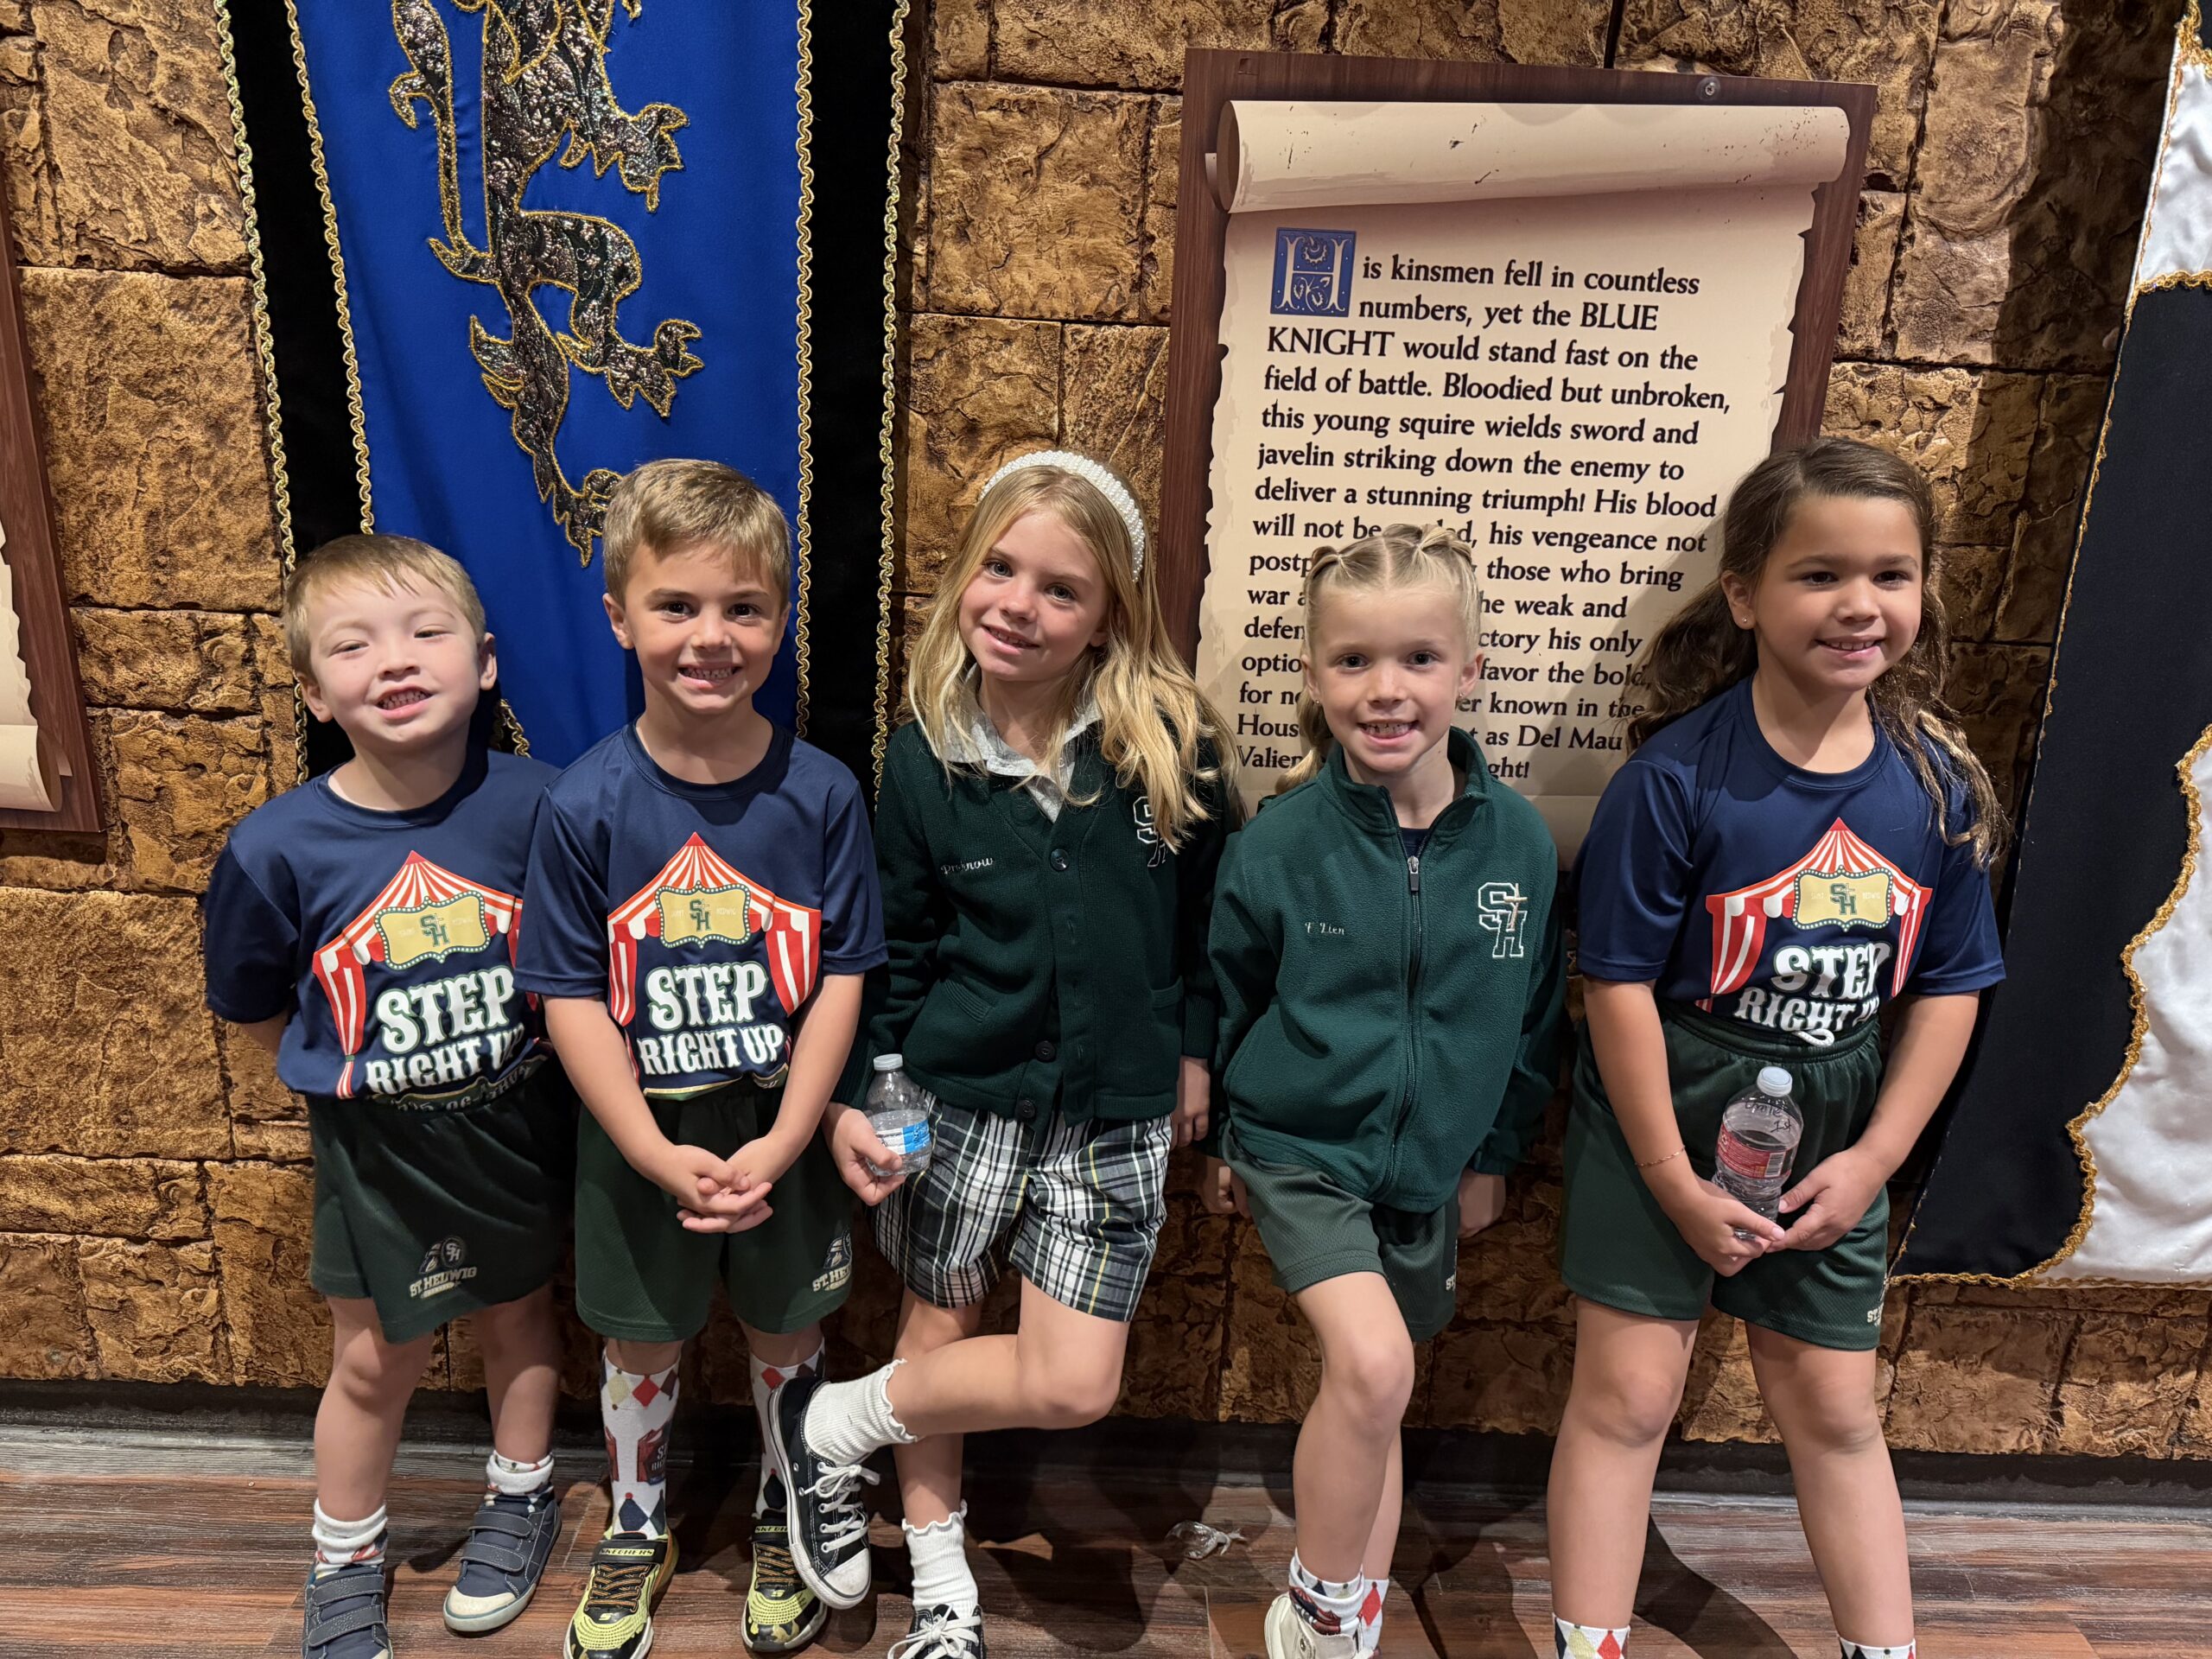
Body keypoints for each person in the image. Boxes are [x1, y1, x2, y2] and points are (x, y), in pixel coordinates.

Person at [765, 451, 1232, 1659]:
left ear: (1109, 617)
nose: (1019, 605)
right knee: (940, 1323)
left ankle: (830, 1423)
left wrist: (1194, 1050)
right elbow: (899, 946)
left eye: (1061, 589)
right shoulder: (924, 755)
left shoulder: (1170, 742)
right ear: (966, 575)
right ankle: (940, 1585)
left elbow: (1208, 924)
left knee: (1075, 1381)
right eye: (1000, 569)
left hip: (1117, 1112)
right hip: (961, 1099)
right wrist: (871, 1093)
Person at [1548, 438, 2007, 1659]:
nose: (1860, 604)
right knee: (1629, 1397)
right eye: (1820, 574)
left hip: (1840, 1123)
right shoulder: (1672, 782)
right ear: (1745, 594)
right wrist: (1667, 1177)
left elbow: (1952, 987)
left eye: (1891, 574)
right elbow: (1616, 984)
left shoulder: (1937, 788)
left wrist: (1875, 1162)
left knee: (1835, 1407)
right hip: (1666, 1103)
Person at [516, 460, 886, 1659]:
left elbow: (842, 976)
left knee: (789, 1335)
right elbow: (569, 994)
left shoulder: (823, 794)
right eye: (676, 605)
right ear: (619, 617)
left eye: (743, 608)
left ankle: (788, 1507)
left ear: (781, 621)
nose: (710, 637)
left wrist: (786, 1137)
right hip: (641, 1139)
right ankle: (637, 1525)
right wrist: (645, 1148)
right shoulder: (585, 804)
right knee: (640, 1340)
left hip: (784, 1134)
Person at [202, 535, 571, 1659]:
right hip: (377, 1158)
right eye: (354, 646)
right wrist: (363, 1079)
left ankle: (522, 1494)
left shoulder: (546, 805)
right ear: (315, 692)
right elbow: (256, 1009)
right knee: (372, 1363)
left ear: (487, 662)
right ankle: (345, 1557)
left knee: (522, 1317)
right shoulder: (276, 848)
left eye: (425, 633)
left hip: (518, 1132)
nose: (396, 661)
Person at [1202, 522, 1567, 1659]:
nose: (1386, 688)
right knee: (1371, 1363)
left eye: (1418, 657)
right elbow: (1229, 994)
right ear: (1315, 676)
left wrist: (1493, 1155)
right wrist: (1222, 1140)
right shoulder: (1278, 844)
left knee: (1380, 1388)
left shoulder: (1519, 843)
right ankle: (1314, 1606)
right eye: (1353, 660)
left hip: (1431, 1166)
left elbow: (1534, 1015)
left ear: (1470, 670)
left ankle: (1352, 1619)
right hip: (1299, 1149)